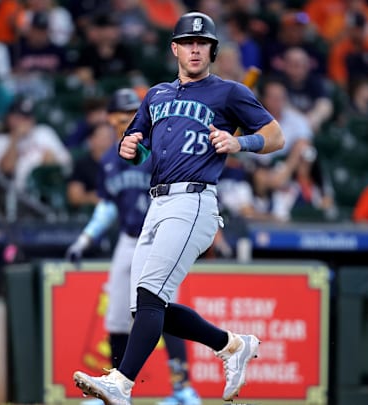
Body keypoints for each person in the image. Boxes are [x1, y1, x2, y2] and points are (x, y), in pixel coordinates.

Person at [73, 12, 285, 404]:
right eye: (187, 42)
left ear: (212, 50)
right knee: (146, 307)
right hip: (156, 203)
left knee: (151, 294)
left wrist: (241, 144)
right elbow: (139, 145)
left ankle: (121, 384)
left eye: (202, 43)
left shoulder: (229, 92)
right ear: (174, 48)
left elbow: (275, 136)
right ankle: (231, 345)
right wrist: (129, 148)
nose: (194, 49)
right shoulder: (156, 95)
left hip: (194, 200)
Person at [66, 88, 202, 405]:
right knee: (115, 317)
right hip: (128, 240)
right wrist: (85, 238)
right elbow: (108, 206)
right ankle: (114, 391)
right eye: (120, 115)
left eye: (131, 114)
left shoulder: (160, 149)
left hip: (161, 239)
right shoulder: (111, 158)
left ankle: (184, 390)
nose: (125, 121)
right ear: (110, 118)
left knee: (164, 312)